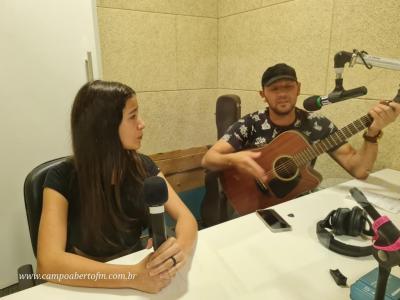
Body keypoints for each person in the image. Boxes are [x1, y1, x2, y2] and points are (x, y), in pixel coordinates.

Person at [37, 80, 198, 293]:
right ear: (105, 126)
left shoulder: (143, 166)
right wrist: (132, 276)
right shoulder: (61, 178)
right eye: (132, 117)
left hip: (136, 266)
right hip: (85, 281)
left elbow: (186, 218)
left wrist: (178, 253)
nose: (142, 123)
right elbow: (47, 263)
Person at [202, 63, 400, 196]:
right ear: (263, 94)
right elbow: (208, 159)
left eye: (288, 87)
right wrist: (233, 158)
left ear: (298, 88)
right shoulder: (250, 123)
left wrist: (372, 134)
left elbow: (359, 170)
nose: (282, 94)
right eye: (274, 89)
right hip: (255, 201)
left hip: (300, 202)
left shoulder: (318, 125)